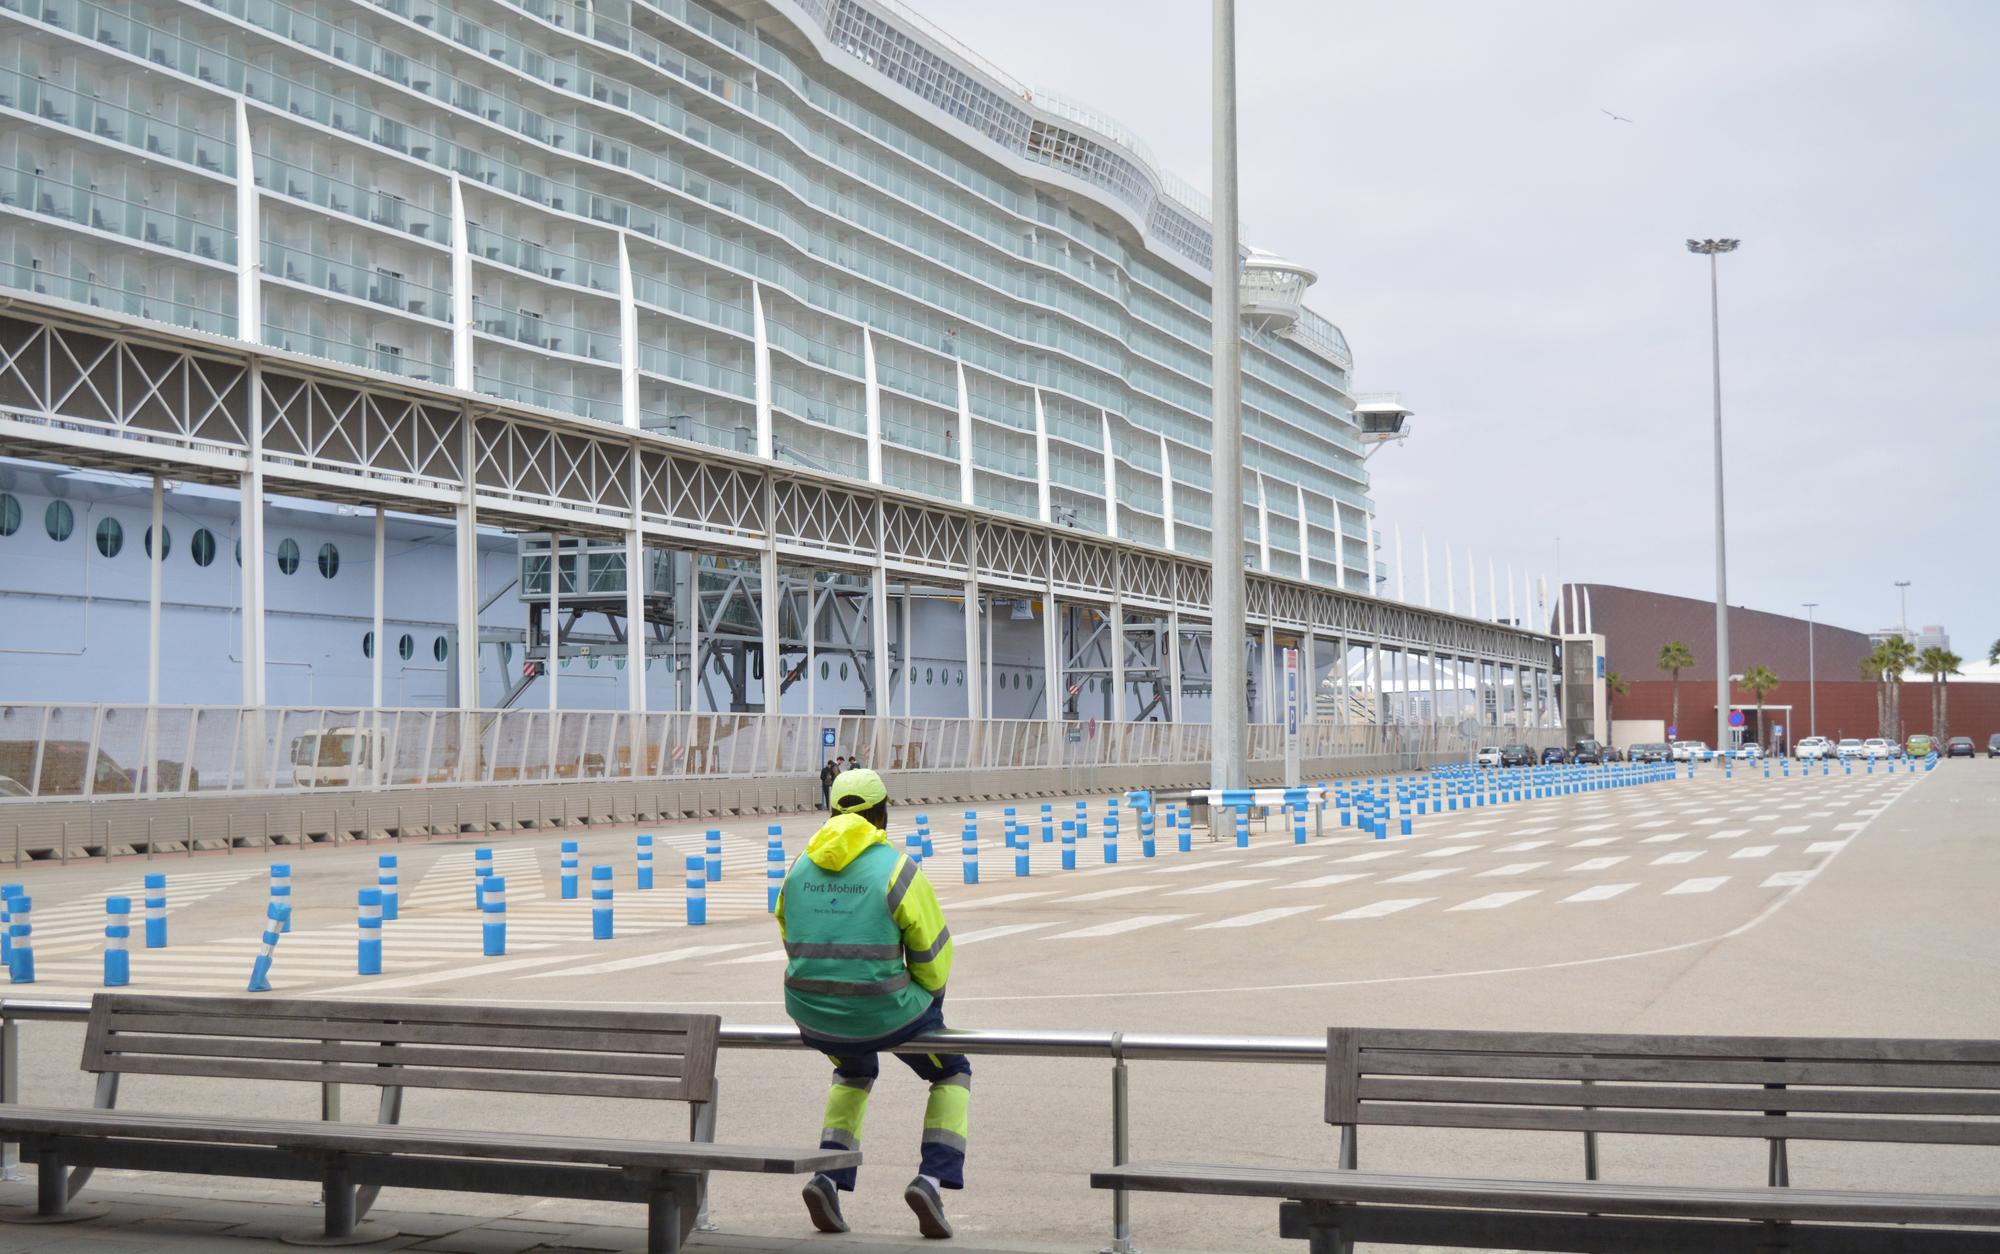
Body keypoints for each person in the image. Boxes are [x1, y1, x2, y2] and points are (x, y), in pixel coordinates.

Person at [777, 767, 965, 1239]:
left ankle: (828, 1175)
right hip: (887, 1012)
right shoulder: (897, 869)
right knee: (951, 1071)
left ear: (833, 811)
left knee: (854, 1070)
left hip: (814, 1014)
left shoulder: (799, 868)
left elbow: (790, 935)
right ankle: (931, 1178)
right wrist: (926, 999)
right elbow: (933, 956)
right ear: (882, 813)